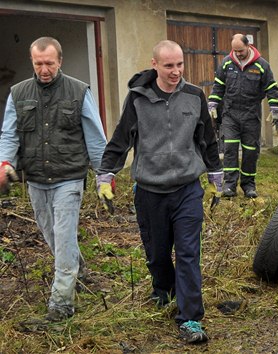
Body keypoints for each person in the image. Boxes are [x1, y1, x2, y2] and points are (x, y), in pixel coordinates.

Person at [95, 40, 223, 344]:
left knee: (189, 254)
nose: (176, 71)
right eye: (169, 65)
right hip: (150, 190)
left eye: (180, 64)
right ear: (155, 65)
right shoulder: (138, 99)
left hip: (187, 189)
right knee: (157, 255)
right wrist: (105, 174)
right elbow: (120, 139)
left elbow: (207, 137)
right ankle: (163, 289)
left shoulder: (194, 96)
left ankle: (190, 318)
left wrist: (216, 172)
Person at [0, 37, 107, 322]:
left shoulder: (78, 91)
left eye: (49, 63)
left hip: (69, 177)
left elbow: (95, 137)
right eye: (38, 63)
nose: (44, 69)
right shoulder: (18, 93)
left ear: (59, 61)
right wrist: (5, 162)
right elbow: (9, 134)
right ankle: (79, 272)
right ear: (32, 61)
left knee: (63, 236)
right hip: (36, 179)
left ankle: (61, 305)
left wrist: (104, 176)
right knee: (52, 236)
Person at [208, 33, 278, 198]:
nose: (238, 54)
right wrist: (212, 102)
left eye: (240, 50)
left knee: (250, 151)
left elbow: (271, 86)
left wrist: (274, 106)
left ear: (248, 46)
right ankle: (229, 185)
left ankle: (248, 185)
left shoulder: (262, 65)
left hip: (251, 115)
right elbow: (218, 85)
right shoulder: (227, 63)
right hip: (230, 114)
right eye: (235, 50)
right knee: (230, 149)